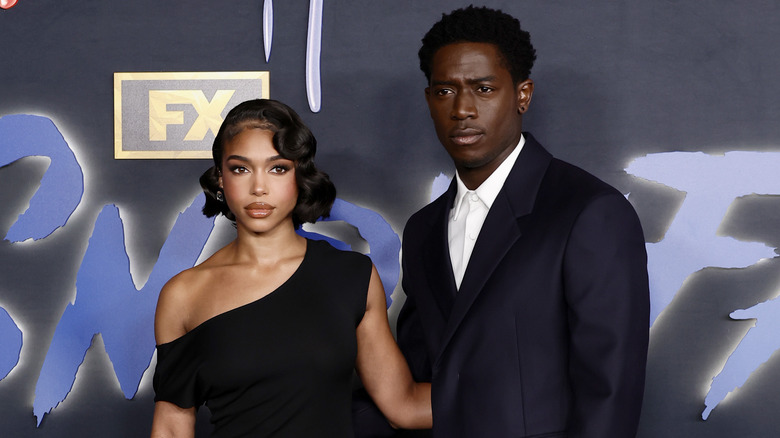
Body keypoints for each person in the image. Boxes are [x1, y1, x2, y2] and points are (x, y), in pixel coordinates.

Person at [394, 6, 650, 438]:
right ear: (429, 100)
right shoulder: (422, 229)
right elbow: (420, 373)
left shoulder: (588, 212)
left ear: (522, 95)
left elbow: (609, 393)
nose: (462, 109)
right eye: (445, 92)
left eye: (483, 88)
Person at [150, 99, 431, 437]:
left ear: (300, 175)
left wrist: (506, 393)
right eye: (240, 168)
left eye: (277, 168)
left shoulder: (351, 275)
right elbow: (172, 424)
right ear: (220, 179)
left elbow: (404, 406)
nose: (259, 187)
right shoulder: (183, 294)